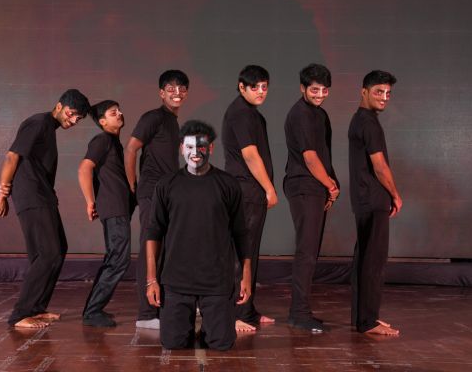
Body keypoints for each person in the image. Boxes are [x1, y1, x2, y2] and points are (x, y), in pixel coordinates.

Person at [145, 120, 251, 350]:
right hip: (176, 281)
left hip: (216, 281)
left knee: (221, 343)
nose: (195, 153)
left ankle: (209, 326)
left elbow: (241, 233)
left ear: (210, 148)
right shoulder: (167, 185)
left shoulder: (227, 184)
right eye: (190, 147)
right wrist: (152, 280)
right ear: (181, 148)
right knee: (172, 343)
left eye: (201, 147)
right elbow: (153, 233)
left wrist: (246, 276)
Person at [0, 89, 90, 329]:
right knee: (48, 253)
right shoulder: (38, 122)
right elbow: (12, 157)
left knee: (56, 250)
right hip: (31, 195)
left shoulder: (49, 127)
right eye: (72, 114)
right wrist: (2, 194)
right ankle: (21, 314)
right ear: (59, 106)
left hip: (43, 195)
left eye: (78, 118)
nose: (73, 120)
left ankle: (36, 308)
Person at [124, 70, 189, 329]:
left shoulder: (173, 122)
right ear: (161, 93)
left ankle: (161, 307)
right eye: (171, 89)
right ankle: (146, 314)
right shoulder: (153, 117)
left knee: (165, 249)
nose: (177, 93)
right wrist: (133, 186)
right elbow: (131, 148)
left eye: (182, 89)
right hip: (151, 191)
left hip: (168, 193)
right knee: (150, 248)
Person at [284, 64, 340, 333]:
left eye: (324, 90)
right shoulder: (300, 114)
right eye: (314, 90)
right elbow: (309, 157)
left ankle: (302, 310)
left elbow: (325, 154)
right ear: (303, 88)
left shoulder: (320, 114)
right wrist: (330, 185)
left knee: (311, 252)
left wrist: (331, 185)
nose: (320, 95)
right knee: (306, 252)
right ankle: (298, 313)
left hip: (317, 186)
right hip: (303, 185)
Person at [221, 65, 276, 332]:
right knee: (240, 252)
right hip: (245, 191)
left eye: (264, 87)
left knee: (249, 251)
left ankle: (247, 309)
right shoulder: (241, 113)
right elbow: (250, 155)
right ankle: (234, 313)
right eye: (255, 87)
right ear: (242, 87)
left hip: (252, 191)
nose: (261, 91)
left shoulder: (252, 113)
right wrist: (269, 188)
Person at [348, 70, 403, 336]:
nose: (384, 97)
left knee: (365, 259)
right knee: (373, 262)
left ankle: (363, 318)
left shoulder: (360, 119)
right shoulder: (368, 123)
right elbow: (379, 166)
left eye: (388, 93)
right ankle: (368, 322)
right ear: (364, 91)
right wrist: (395, 194)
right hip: (373, 199)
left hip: (364, 199)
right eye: (378, 92)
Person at [78, 100, 134, 327]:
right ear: (103, 121)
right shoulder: (102, 140)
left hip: (119, 208)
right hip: (113, 208)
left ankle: (93, 309)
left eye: (119, 110)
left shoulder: (113, 143)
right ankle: (92, 312)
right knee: (118, 259)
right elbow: (84, 168)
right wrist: (89, 201)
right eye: (113, 113)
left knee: (114, 258)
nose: (119, 114)